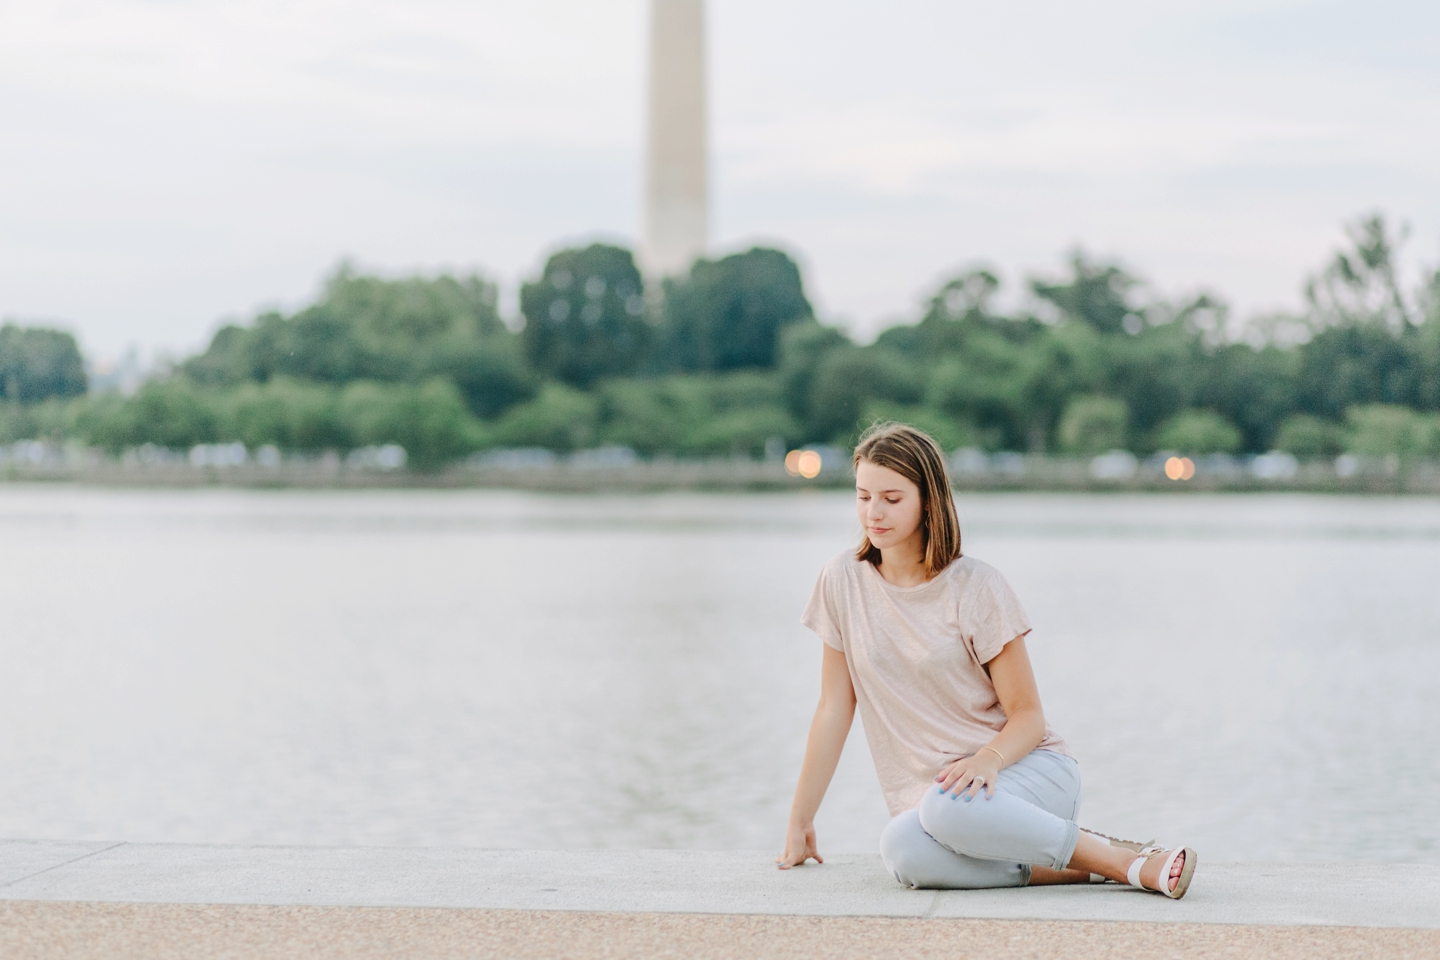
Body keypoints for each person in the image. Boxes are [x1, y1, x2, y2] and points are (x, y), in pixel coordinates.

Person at [776, 422, 1196, 898]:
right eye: (863, 496)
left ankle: (1125, 861)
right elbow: (834, 707)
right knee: (901, 849)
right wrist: (800, 819)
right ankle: (1069, 867)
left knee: (944, 807)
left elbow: (1029, 717)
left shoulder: (976, 586)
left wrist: (987, 760)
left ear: (928, 501)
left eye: (892, 499)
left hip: (1023, 775)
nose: (874, 513)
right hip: (947, 805)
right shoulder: (841, 582)